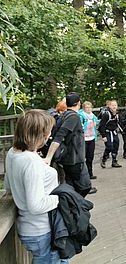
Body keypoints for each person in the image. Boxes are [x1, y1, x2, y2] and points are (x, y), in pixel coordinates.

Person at [4, 109, 68, 263]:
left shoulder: (12, 153)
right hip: (41, 230)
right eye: (46, 133)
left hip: (30, 228)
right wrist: (61, 198)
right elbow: (36, 205)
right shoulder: (31, 162)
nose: (49, 136)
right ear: (36, 134)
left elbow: (8, 187)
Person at [45, 92, 92, 197]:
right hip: (74, 159)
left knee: (72, 185)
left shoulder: (64, 115)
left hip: (68, 158)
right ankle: (74, 206)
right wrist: (48, 157)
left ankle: (72, 208)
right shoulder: (73, 117)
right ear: (79, 103)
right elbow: (59, 137)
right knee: (85, 186)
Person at [78, 101, 99, 182]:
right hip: (84, 139)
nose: (88, 109)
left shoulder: (93, 116)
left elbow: (97, 122)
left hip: (92, 138)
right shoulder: (81, 116)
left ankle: (90, 173)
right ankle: (84, 175)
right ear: (84, 108)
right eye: (86, 107)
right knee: (83, 157)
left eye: (90, 107)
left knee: (90, 157)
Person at [98, 100, 122, 168]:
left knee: (116, 146)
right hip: (107, 132)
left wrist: (124, 131)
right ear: (109, 106)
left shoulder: (117, 114)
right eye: (112, 105)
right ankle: (104, 159)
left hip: (114, 132)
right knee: (109, 146)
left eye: (115, 105)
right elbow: (101, 125)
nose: (114, 106)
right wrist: (103, 136)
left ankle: (114, 161)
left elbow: (119, 124)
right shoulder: (106, 114)